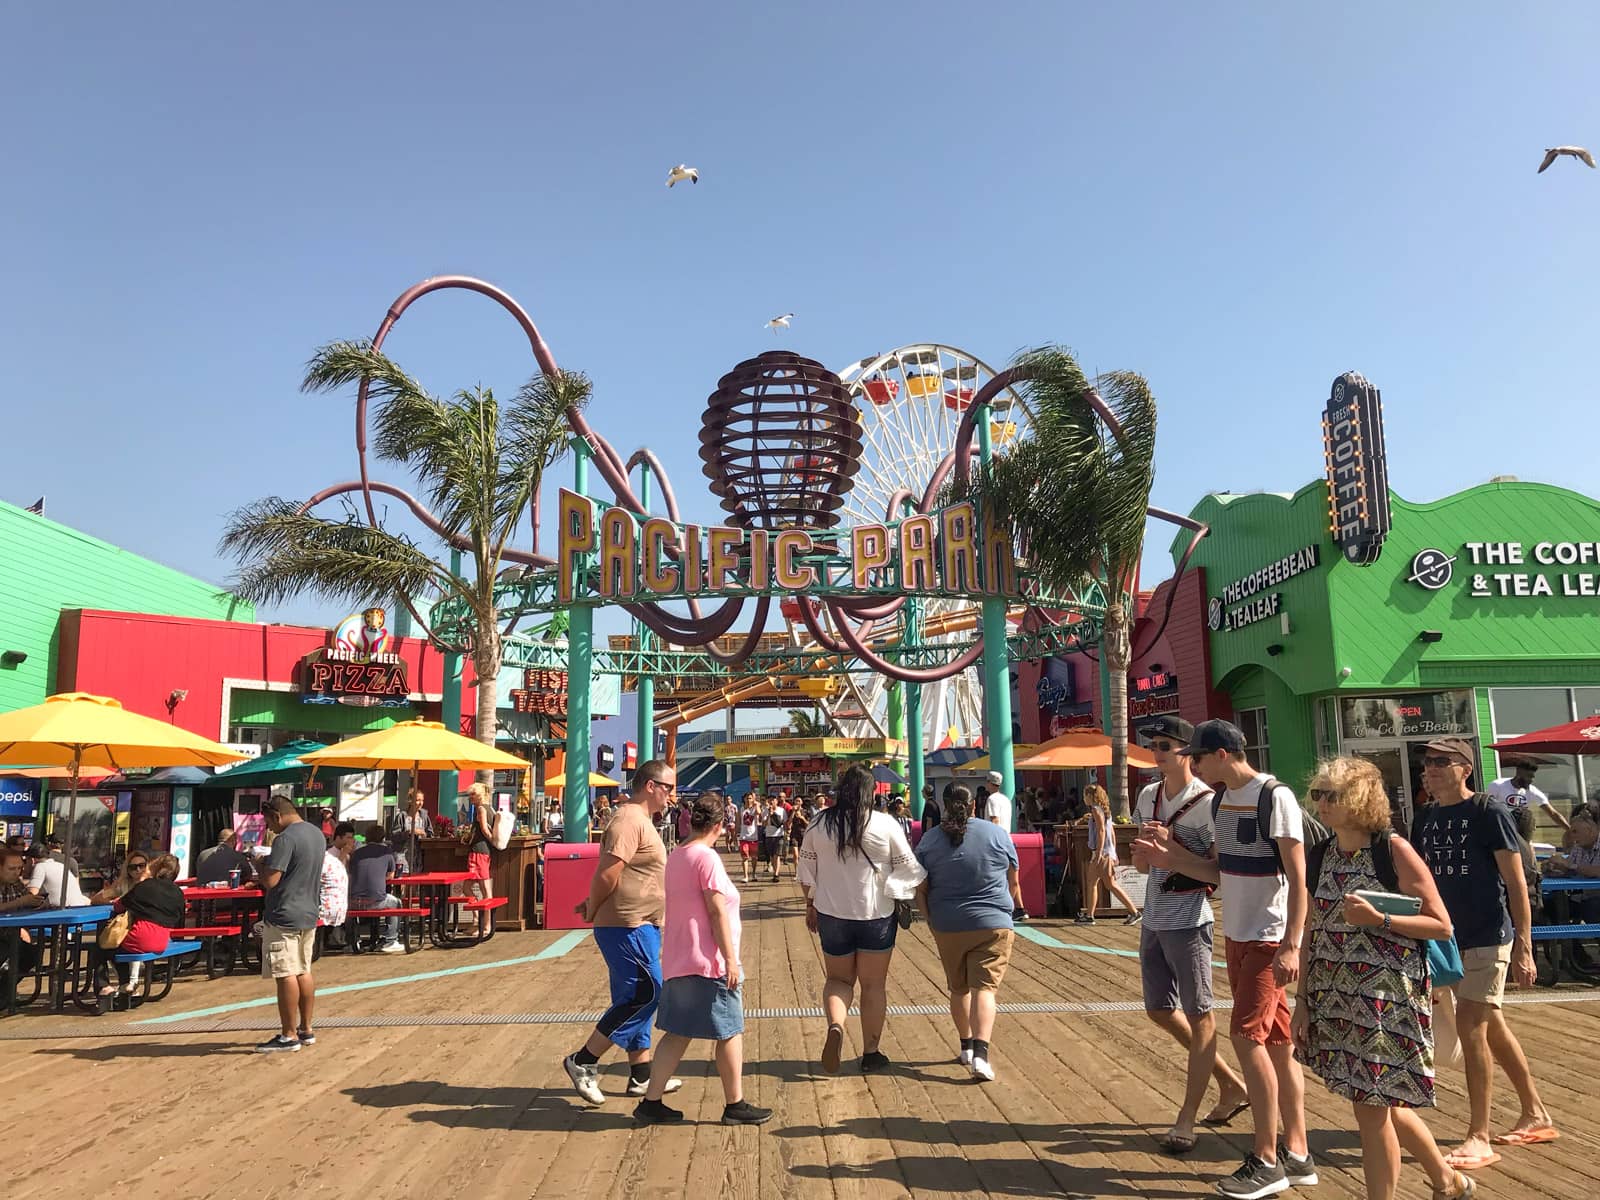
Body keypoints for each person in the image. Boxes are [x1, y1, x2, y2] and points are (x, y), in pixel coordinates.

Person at [1134, 719, 1316, 1199]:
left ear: (1220, 755)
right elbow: (1217, 871)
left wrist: (1293, 943)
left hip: (1266, 936)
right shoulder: (1221, 801)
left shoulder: (1273, 797)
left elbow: (1299, 882)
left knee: (1246, 1038)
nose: (1191, 762)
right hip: (1237, 933)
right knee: (1276, 1044)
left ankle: (1267, 1158)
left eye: (1198, 754)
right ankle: (1297, 1152)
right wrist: (1169, 858)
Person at [1292, 758, 1471, 1200]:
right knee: (1381, 1100)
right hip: (1336, 993)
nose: (1322, 803)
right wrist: (1302, 999)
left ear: (1360, 800)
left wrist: (1381, 918)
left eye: (1331, 795)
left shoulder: (1391, 850)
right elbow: (1314, 926)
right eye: (1318, 793)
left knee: (1371, 1109)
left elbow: (1442, 925)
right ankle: (1447, 1181)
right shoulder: (1323, 853)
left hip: (1386, 997)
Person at [1410, 737, 1555, 1169]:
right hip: (1446, 940)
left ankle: (1479, 1136)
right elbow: (1420, 884)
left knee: (1471, 1023)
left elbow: (1515, 882)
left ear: (1464, 768)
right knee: (1492, 1025)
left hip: (1489, 934)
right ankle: (1535, 1113)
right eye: (1426, 762)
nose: (1429, 769)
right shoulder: (1426, 818)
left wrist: (1526, 947)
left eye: (1440, 762)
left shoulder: (1487, 810)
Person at [1129, 716, 1248, 1155]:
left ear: (1186, 752)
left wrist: (1172, 852)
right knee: (1159, 1009)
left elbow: (1218, 871)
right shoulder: (1147, 795)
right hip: (1154, 916)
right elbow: (1143, 868)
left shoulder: (1207, 803)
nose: (1157, 751)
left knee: (1201, 1016)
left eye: (1165, 744)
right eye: (1153, 745)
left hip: (1190, 919)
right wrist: (1146, 855)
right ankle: (1231, 1083)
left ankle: (1187, 1116)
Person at [634, 793, 771, 1127]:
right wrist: (731, 959)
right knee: (730, 1031)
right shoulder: (706, 858)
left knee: (677, 1033)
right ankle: (734, 1103)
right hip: (708, 959)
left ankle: (651, 1102)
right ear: (720, 825)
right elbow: (715, 910)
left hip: (679, 957)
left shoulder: (677, 855)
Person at [563, 760, 682, 1106]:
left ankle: (641, 1075)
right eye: (669, 787)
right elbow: (607, 874)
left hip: (640, 923)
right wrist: (592, 905)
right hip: (625, 925)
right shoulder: (628, 821)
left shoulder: (641, 821)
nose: (672, 795)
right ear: (650, 786)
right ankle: (583, 1060)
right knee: (647, 993)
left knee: (633, 996)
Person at [796, 763, 926, 1074]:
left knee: (838, 980)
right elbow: (910, 867)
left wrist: (810, 905)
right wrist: (894, 888)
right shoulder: (885, 823)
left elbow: (805, 872)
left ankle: (836, 1026)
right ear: (870, 793)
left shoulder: (819, 823)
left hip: (831, 913)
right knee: (873, 985)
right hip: (877, 915)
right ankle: (871, 1053)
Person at [913, 785, 1021, 1082]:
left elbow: (919, 890)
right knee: (984, 990)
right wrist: (1011, 909)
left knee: (959, 988)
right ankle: (982, 1055)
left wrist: (930, 919)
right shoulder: (997, 834)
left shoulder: (929, 841)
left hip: (948, 924)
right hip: (994, 923)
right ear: (975, 805)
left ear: (944, 806)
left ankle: (965, 1047)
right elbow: (1014, 882)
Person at [256, 796, 326, 1052]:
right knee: (303, 970)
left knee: (285, 973)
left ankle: (288, 1035)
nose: (270, 829)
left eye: (269, 822)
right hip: (308, 911)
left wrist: (258, 863)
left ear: (277, 815)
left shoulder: (285, 839)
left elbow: (271, 880)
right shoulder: (317, 834)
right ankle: (306, 1029)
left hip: (284, 914)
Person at [91, 852, 185, 1006]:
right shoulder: (178, 893)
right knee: (116, 948)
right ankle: (125, 985)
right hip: (162, 941)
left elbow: (118, 906)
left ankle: (104, 986)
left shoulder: (145, 886)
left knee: (102, 946)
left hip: (141, 937)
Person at [1079, 783, 1141, 927]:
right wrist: (1114, 852)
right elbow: (1111, 832)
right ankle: (1090, 915)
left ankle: (1134, 912)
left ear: (1089, 796)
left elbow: (1101, 831)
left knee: (1104, 884)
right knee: (1097, 883)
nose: (1084, 798)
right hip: (1108, 852)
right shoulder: (1105, 811)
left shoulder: (1095, 810)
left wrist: (1098, 853)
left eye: (1084, 795)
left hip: (1101, 853)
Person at [347, 823, 406, 954]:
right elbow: (390, 876)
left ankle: (352, 942)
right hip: (376, 900)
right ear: (383, 838)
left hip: (353, 901)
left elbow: (351, 875)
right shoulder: (387, 852)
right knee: (396, 903)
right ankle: (390, 940)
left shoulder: (356, 854)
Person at [1488, 759, 1570, 833]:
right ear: (1518, 772)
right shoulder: (1497, 785)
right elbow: (1487, 808)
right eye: (1529, 776)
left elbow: (1553, 813)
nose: (1531, 780)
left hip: (1520, 828)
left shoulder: (1532, 790)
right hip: (1500, 827)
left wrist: (1569, 830)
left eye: (1533, 777)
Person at [465, 782, 496, 938]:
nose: (471, 797)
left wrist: (493, 841)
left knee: (480, 889)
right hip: (485, 852)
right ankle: (480, 922)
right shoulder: (491, 808)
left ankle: (482, 924)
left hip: (478, 851)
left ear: (480, 795)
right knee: (482, 889)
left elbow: (484, 829)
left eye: (473, 794)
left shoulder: (481, 809)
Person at [26, 834, 88, 908]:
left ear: (32, 860)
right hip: (78, 907)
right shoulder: (60, 865)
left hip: (62, 912)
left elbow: (31, 897)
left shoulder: (40, 867)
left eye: (26, 860)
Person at [390, 789, 433, 872]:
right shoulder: (402, 816)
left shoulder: (424, 816)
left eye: (422, 800)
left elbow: (430, 833)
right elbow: (394, 836)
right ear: (410, 801)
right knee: (403, 880)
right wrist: (409, 832)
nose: (421, 803)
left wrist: (424, 834)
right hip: (403, 855)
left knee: (417, 880)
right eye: (418, 800)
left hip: (419, 856)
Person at [737, 795, 762, 884]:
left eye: (750, 798)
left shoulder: (754, 809)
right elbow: (738, 821)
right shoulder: (741, 809)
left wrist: (757, 805)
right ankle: (745, 876)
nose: (748, 800)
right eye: (747, 798)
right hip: (744, 837)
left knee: (754, 857)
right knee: (744, 858)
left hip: (753, 837)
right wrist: (737, 834)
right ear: (744, 799)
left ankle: (754, 873)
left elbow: (759, 813)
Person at [763, 796, 788, 881]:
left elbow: (785, 822)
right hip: (769, 835)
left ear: (776, 801)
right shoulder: (765, 810)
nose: (771, 802)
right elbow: (764, 824)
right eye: (770, 801)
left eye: (773, 800)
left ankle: (776, 874)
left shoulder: (781, 810)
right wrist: (769, 815)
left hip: (779, 835)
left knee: (777, 855)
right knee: (772, 856)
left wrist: (786, 833)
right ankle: (774, 871)